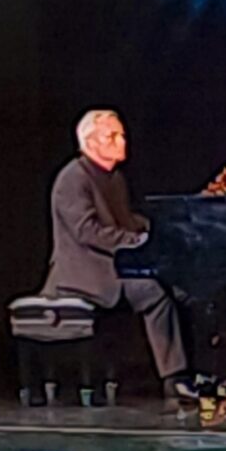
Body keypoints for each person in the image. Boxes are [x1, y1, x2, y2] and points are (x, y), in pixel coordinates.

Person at [40, 108, 192, 397]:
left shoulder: (114, 178)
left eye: (121, 135)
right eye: (112, 136)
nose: (122, 141)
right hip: (85, 273)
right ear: (91, 142)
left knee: (183, 288)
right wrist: (137, 241)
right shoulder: (73, 179)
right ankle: (174, 379)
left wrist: (155, 228)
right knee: (154, 292)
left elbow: (123, 220)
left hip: (114, 265)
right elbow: (87, 231)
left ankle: (193, 371)